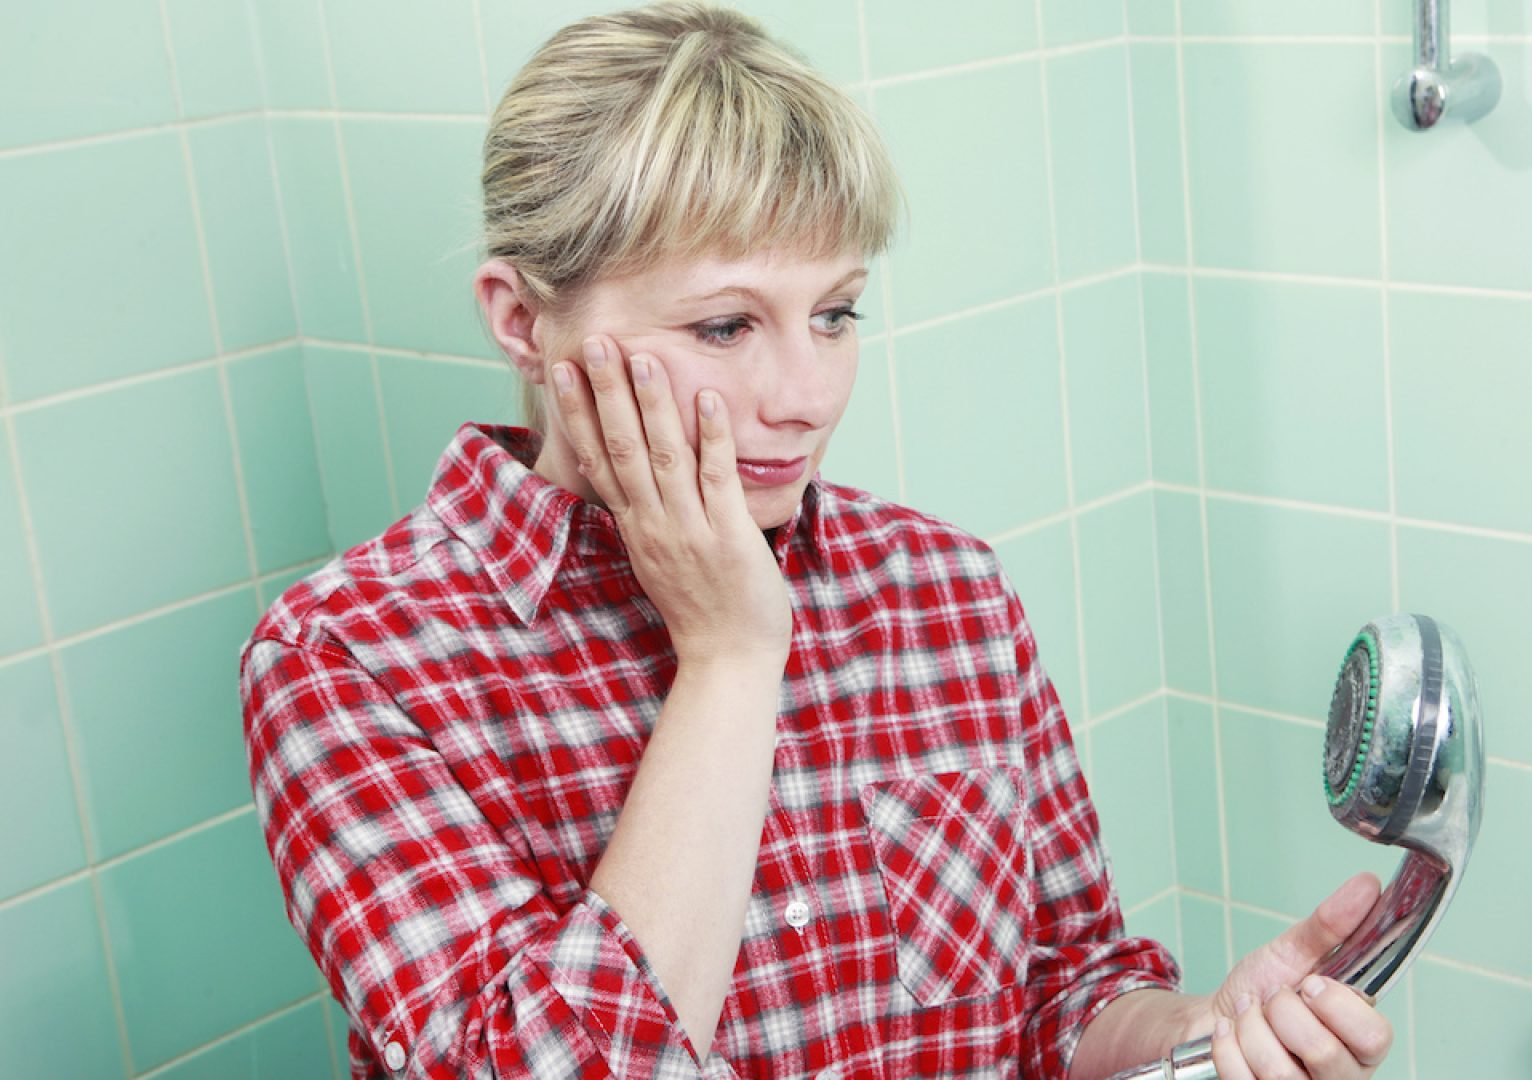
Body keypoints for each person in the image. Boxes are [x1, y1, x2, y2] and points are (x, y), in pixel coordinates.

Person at [240, 4, 1395, 1078]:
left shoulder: (944, 590)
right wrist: (728, 659)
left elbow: (1060, 988)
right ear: (524, 321)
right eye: (724, 325)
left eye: (835, 313)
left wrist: (1202, 1039)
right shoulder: (350, 663)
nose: (806, 397)